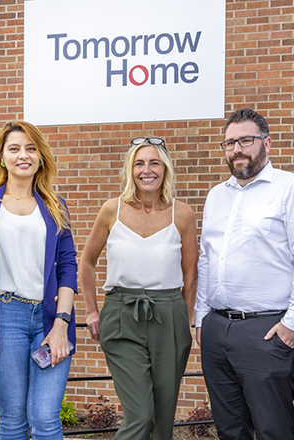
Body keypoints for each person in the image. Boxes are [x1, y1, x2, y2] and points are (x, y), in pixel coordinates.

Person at [195, 108, 294, 440]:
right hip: (216, 328)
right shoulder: (216, 196)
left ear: (266, 143)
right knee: (230, 429)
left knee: (272, 429)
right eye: (230, 143)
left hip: (267, 331)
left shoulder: (291, 188)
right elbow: (206, 259)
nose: (237, 149)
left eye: (246, 140)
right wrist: (201, 317)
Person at [79, 137, 198, 440]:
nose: (147, 170)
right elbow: (87, 263)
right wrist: (92, 310)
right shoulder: (111, 210)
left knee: (162, 422)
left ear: (165, 168)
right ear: (130, 170)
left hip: (168, 315)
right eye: (139, 163)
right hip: (121, 315)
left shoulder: (181, 214)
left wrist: (185, 320)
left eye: (154, 162)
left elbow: (190, 272)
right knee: (141, 415)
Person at [0, 121, 77, 440]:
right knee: (13, 421)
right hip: (4, 318)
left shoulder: (55, 206)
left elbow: (67, 267)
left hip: (49, 319)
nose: (23, 155)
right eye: (14, 149)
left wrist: (61, 324)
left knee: (46, 418)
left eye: (30, 148)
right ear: (2, 158)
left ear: (40, 157)